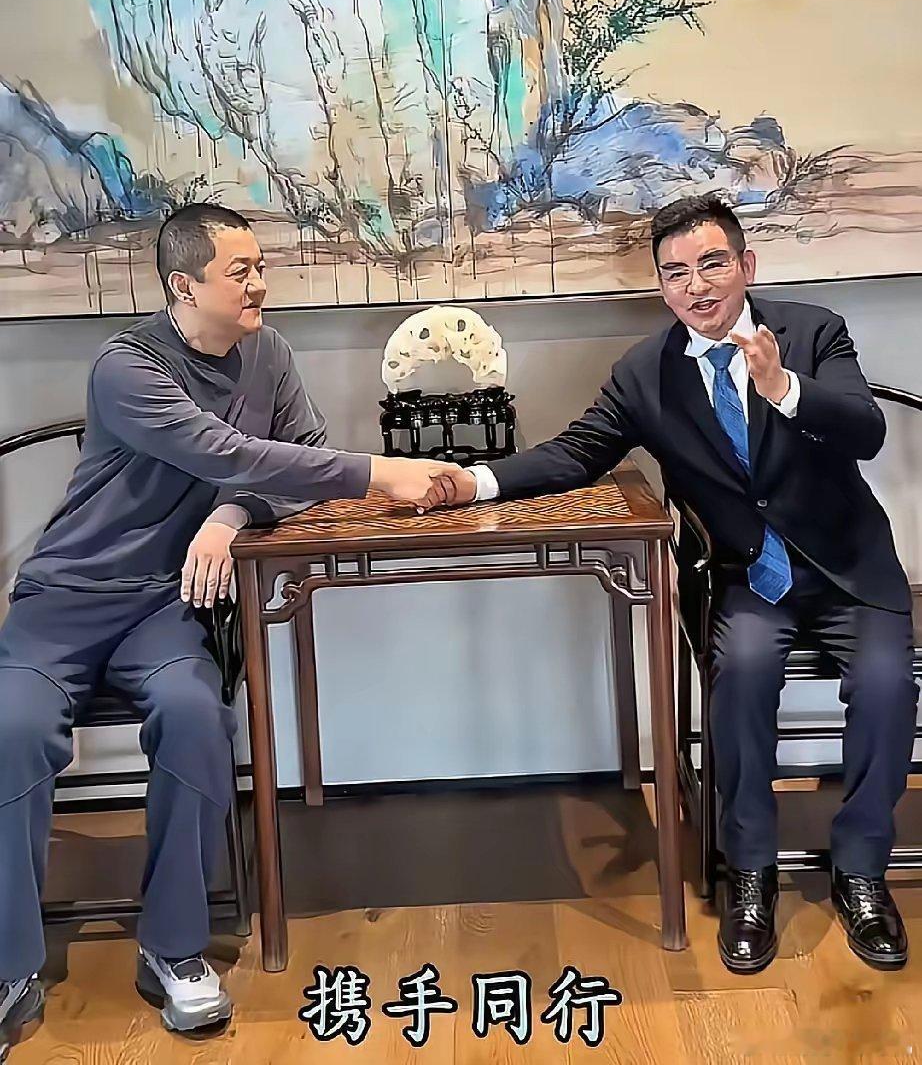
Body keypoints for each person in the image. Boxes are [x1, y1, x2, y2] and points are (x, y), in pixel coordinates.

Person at [422, 194, 917, 975]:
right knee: (742, 677)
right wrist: (474, 480)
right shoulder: (645, 373)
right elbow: (576, 453)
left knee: (888, 685)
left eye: (712, 264)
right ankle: (749, 873)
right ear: (661, 285)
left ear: (746, 265)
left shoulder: (812, 331)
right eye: (676, 272)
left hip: (847, 569)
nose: (697, 285)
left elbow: (868, 429)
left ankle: (860, 873)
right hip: (747, 578)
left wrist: (784, 388)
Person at [0, 203, 445, 1045]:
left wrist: (230, 516)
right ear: (183, 284)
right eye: (241, 272)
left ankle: (173, 949)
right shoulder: (126, 366)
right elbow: (224, 450)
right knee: (12, 728)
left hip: (167, 604)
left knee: (195, 715)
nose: (260, 285)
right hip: (64, 600)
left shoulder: (268, 355)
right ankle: (7, 963)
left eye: (260, 267)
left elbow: (294, 461)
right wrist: (377, 471)